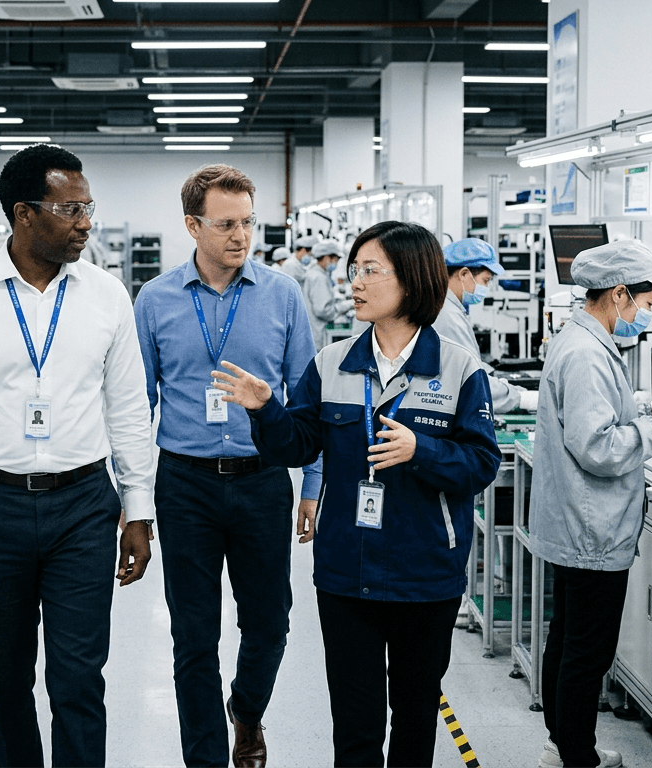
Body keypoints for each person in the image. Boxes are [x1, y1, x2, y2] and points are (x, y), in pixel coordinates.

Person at [212, 220, 502, 768]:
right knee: (355, 724)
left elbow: (482, 463)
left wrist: (421, 450)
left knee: (415, 715)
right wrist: (266, 409)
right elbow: (296, 446)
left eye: (371, 271)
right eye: (354, 270)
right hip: (347, 572)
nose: (356, 283)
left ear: (412, 279)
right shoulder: (332, 364)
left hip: (426, 575)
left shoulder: (459, 369)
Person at [0, 143, 157, 768]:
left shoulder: (107, 296)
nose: (85, 223)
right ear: (24, 213)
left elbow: (129, 409)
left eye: (89, 207)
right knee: (4, 677)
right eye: (71, 209)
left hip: (84, 505)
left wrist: (138, 509)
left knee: (79, 677)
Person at [134, 164, 321, 768]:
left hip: (262, 480)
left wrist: (312, 485)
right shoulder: (156, 300)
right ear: (193, 226)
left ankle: (246, 708)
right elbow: (136, 405)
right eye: (225, 225)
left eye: (248, 222)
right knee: (193, 634)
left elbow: (308, 401)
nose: (241, 236)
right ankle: (207, 758)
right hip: (184, 483)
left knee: (270, 624)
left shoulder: (282, 295)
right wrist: (133, 501)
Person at [529, 240, 652, 768]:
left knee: (567, 640)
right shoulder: (587, 353)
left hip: (577, 522)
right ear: (620, 293)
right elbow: (598, 447)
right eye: (647, 303)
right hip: (591, 526)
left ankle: (563, 745)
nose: (646, 315)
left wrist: (650, 406)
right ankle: (576, 757)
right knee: (586, 652)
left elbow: (599, 410)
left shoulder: (583, 339)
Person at [433, 238, 537, 412]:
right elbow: (471, 379)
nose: (486, 287)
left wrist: (502, 385)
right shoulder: (447, 315)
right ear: (464, 274)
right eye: (486, 280)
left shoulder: (448, 307)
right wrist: (520, 398)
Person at [303, 238, 355, 351]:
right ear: (327, 258)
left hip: (315, 329)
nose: (336, 263)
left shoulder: (317, 273)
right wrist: (347, 305)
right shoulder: (318, 277)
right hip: (319, 331)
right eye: (335, 259)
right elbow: (323, 310)